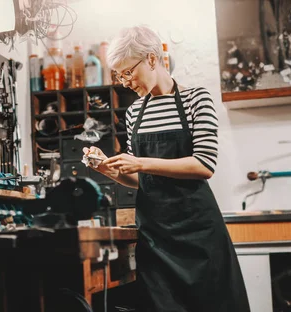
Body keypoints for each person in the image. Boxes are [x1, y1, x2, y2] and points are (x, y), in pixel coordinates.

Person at [82, 25, 251, 312]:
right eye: (119, 76)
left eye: (127, 72)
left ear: (151, 58)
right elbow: (141, 179)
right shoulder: (135, 112)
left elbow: (204, 164)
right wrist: (107, 168)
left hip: (199, 235)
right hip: (155, 237)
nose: (124, 82)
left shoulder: (196, 99)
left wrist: (141, 162)